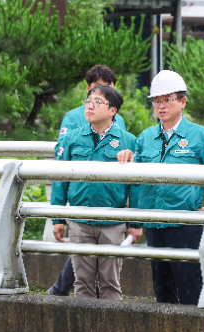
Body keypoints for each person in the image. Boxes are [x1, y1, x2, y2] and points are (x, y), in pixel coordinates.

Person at [116, 70, 204, 305]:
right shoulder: (146, 137)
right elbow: (137, 182)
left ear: (182, 102)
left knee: (190, 288)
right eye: (157, 101)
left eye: (168, 99)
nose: (162, 106)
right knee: (162, 289)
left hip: (185, 223)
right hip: (155, 223)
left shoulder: (200, 136)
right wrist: (136, 222)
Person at [51, 85, 142, 300]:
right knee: (82, 282)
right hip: (80, 221)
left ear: (113, 111)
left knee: (110, 283)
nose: (90, 106)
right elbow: (60, 179)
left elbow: (136, 185)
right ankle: (84, 330)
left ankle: (112, 330)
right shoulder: (72, 139)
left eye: (98, 102)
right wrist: (58, 218)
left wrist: (136, 224)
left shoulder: (128, 141)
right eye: (88, 101)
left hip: (113, 221)